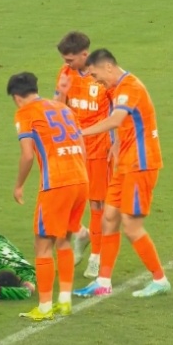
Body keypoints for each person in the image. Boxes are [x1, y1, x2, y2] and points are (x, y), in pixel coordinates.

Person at [71, 49, 172, 298]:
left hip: (141, 164)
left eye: (96, 75)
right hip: (124, 164)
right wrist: (116, 143)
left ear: (108, 67)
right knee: (109, 217)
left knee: (131, 226)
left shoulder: (130, 87)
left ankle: (160, 280)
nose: (96, 81)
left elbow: (116, 119)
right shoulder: (116, 88)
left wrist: (81, 133)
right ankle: (103, 281)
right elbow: (125, 123)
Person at [8, 72, 89, 320]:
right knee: (63, 240)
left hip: (56, 184)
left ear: (16, 97)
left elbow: (27, 155)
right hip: (81, 179)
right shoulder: (63, 108)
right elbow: (82, 144)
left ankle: (44, 307)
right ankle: (64, 301)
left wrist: (18, 185)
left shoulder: (25, 113)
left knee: (42, 246)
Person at [54, 31, 116, 278]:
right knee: (67, 196)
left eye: (70, 59)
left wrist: (116, 142)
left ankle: (96, 257)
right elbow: (59, 107)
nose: (66, 63)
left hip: (99, 147)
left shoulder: (101, 76)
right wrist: (61, 92)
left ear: (84, 54)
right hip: (73, 147)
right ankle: (81, 233)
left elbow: (119, 110)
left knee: (96, 203)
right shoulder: (66, 73)